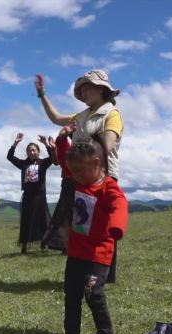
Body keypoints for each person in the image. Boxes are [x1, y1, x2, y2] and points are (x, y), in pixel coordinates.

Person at [52, 124, 128, 334]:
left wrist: (116, 226)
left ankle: (104, 333)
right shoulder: (77, 179)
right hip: (76, 251)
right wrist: (61, 140)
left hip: (99, 253)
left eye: (79, 170)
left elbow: (120, 203)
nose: (73, 174)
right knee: (72, 294)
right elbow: (64, 161)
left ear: (96, 164)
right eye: (73, 170)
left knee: (93, 294)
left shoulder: (108, 187)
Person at [35, 70, 124, 256]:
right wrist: (42, 94)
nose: (83, 94)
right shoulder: (80, 116)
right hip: (79, 177)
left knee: (100, 226)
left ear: (101, 89)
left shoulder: (112, 114)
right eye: (81, 90)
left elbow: (107, 145)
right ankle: (83, 267)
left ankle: (103, 270)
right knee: (82, 225)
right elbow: (56, 118)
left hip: (101, 176)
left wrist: (80, 150)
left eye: (87, 88)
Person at [7, 133, 54, 254]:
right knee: (26, 220)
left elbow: (53, 157)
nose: (31, 152)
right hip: (28, 196)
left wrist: (46, 144)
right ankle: (24, 246)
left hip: (40, 196)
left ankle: (45, 244)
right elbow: (10, 157)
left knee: (42, 220)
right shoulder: (23, 164)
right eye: (29, 151)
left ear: (38, 152)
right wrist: (15, 143)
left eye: (34, 150)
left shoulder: (43, 163)